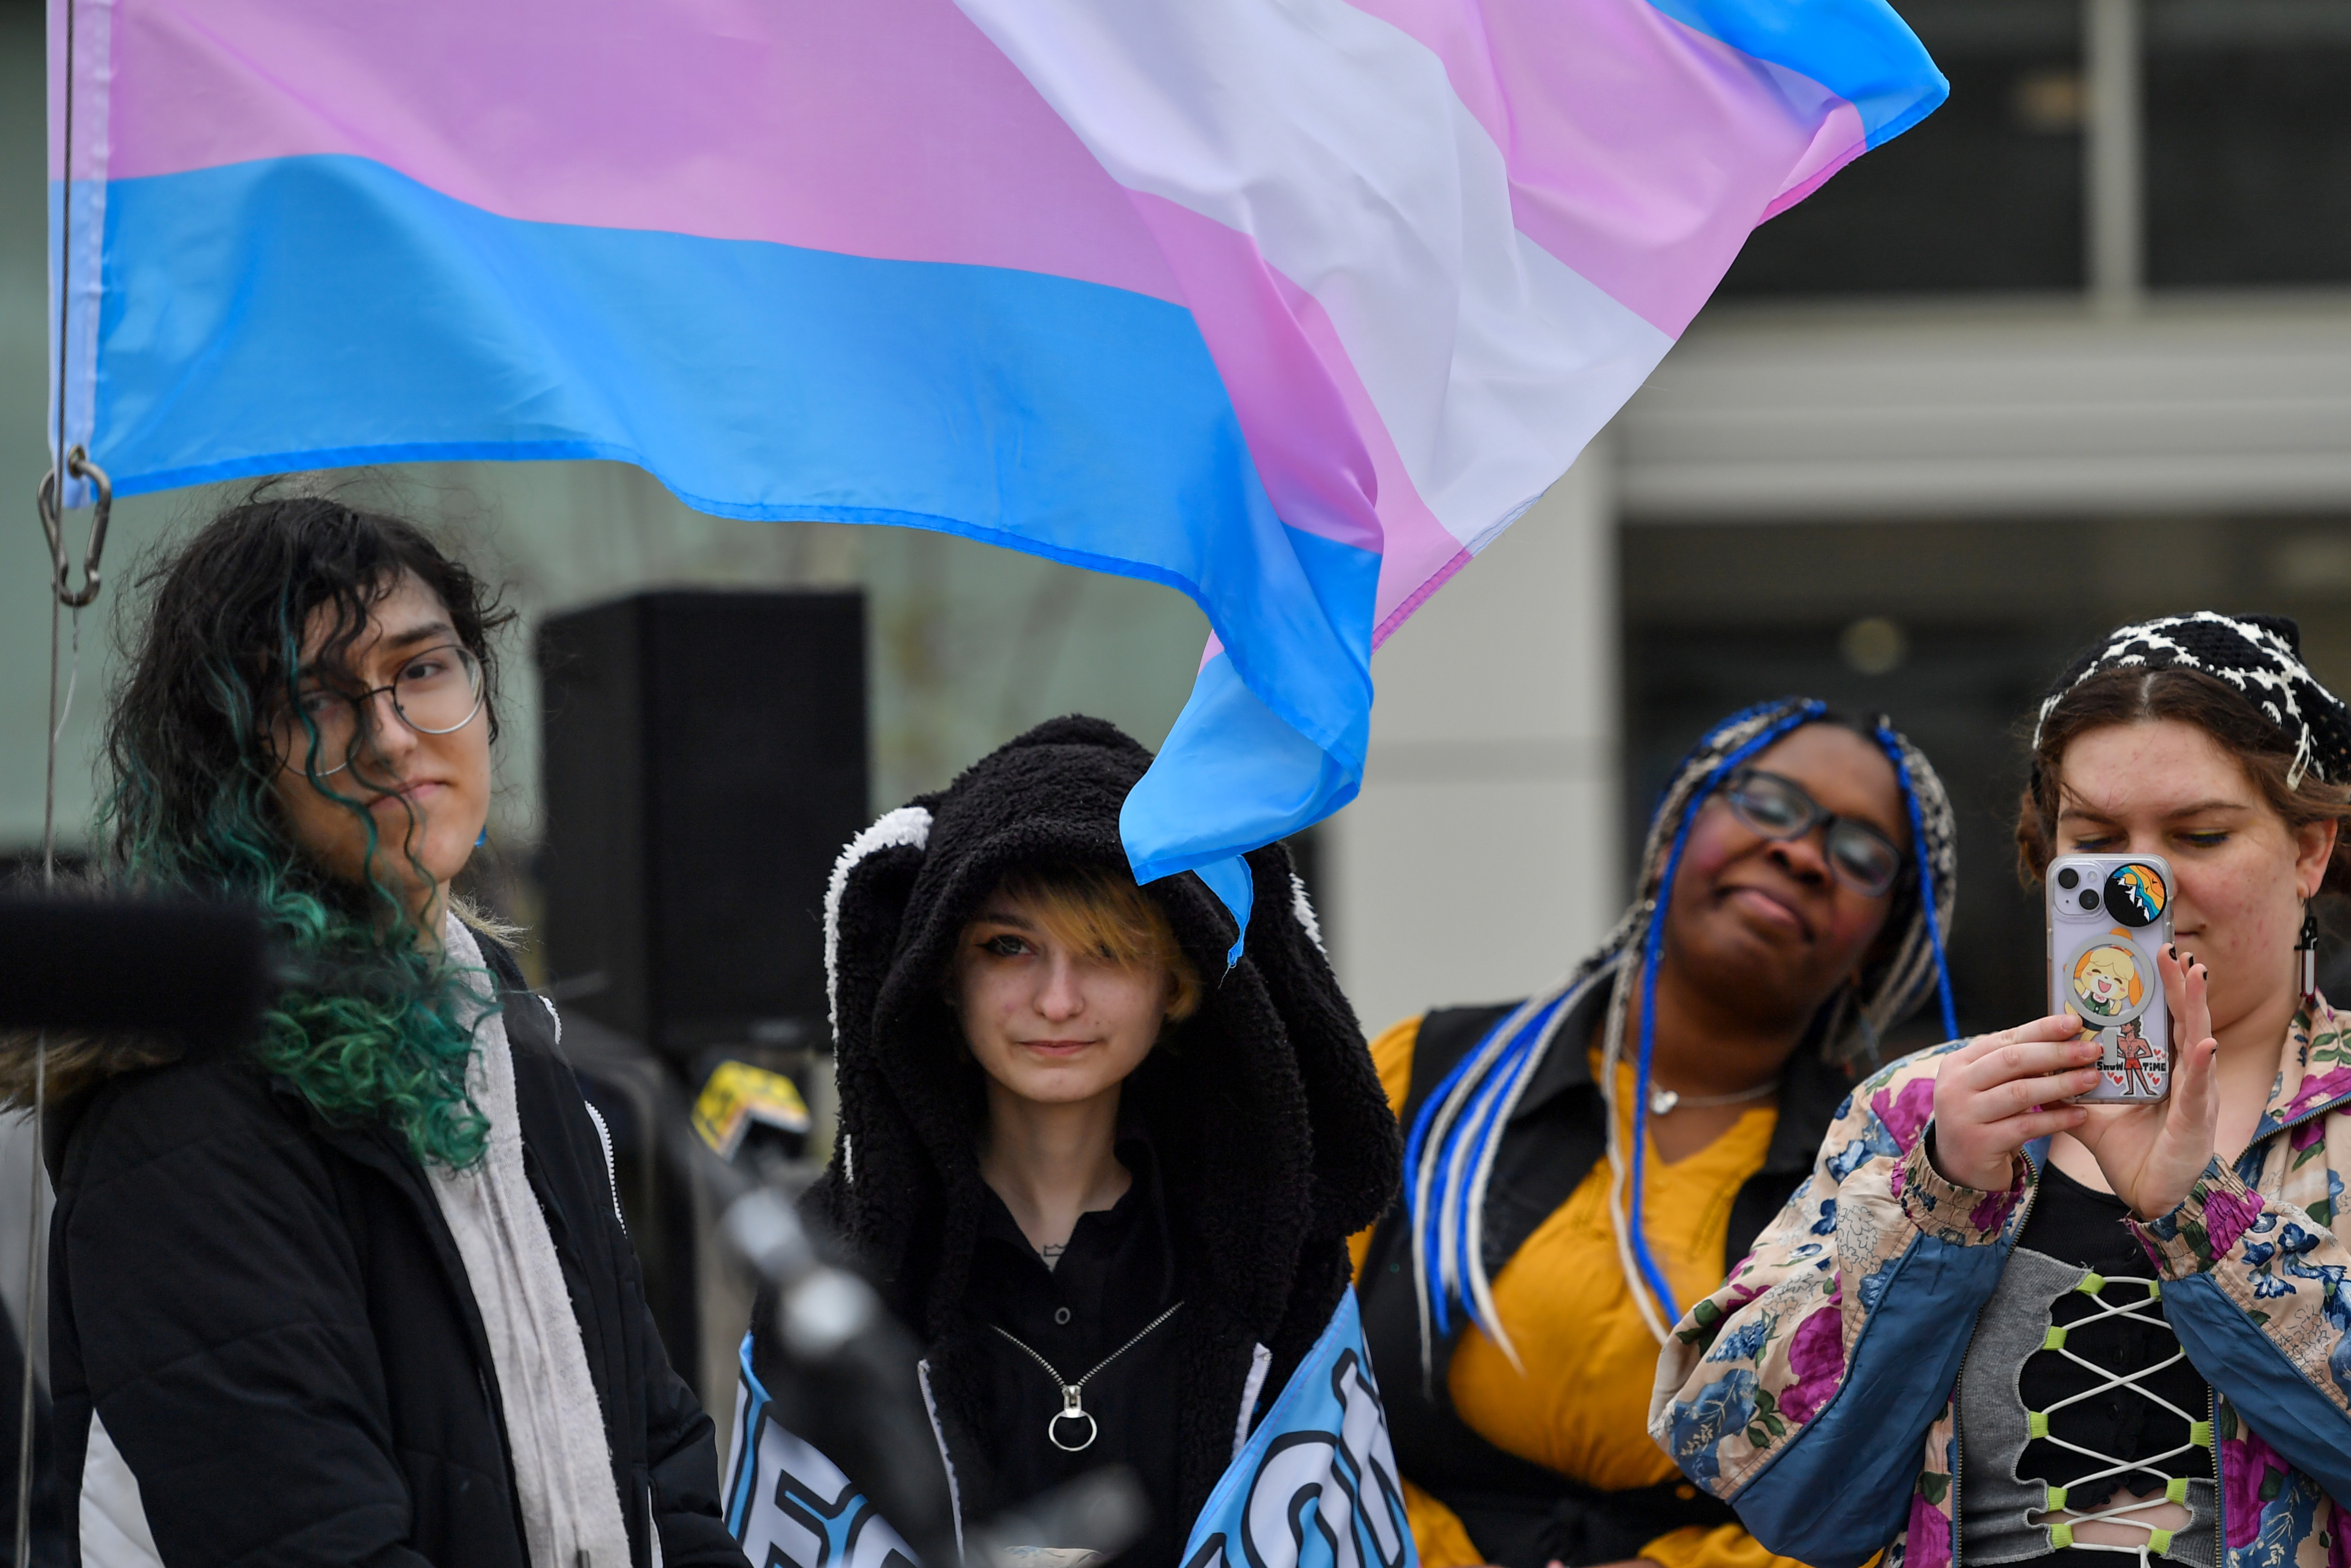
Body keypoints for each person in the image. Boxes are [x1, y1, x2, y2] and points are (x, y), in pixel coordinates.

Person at [1659, 612, 2351, 1568]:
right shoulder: (1920, 1109)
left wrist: (2202, 1221)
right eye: (2098, 838)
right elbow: (1773, 1489)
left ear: (2310, 851)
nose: (2141, 885)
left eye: (2201, 834)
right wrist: (1935, 1200)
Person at [10, 491, 739, 1568]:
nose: (394, 737)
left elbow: (662, 1466)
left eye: (422, 669)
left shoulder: (515, 1042)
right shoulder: (181, 1104)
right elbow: (307, 1538)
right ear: (235, 763)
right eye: (321, 698)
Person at [746, 716, 1401, 1566]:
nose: (1057, 1001)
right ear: (944, 971)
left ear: (1180, 979)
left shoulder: (1280, 1267)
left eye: (1108, 949)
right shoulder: (833, 1262)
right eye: (1008, 946)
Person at [1354, 697, 1960, 1568]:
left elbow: (1880, 1480)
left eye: (1862, 854)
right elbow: (1286, 1365)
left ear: (1880, 940)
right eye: (1768, 803)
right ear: (1677, 828)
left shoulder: (1885, 1173)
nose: (1799, 853)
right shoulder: (1437, 1076)